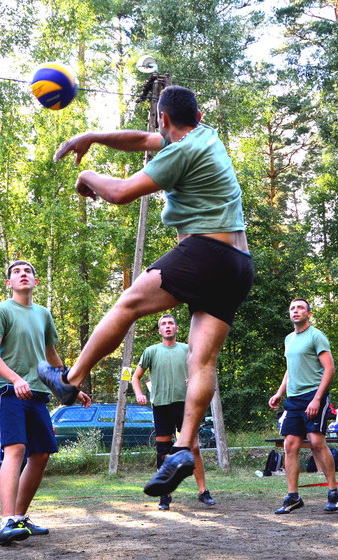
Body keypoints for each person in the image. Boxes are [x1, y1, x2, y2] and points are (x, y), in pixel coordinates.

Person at [43, 85, 254, 498]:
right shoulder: (205, 137)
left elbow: (120, 193)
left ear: (163, 118)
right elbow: (143, 141)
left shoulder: (180, 151)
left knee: (128, 305)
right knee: (201, 360)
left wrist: (86, 176)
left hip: (204, 251)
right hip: (238, 264)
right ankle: (182, 449)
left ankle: (69, 379)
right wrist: (93, 137)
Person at [0, 260, 91, 545]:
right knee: (15, 449)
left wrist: (71, 388)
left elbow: (51, 356)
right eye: (16, 272)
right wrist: (16, 379)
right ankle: (7, 521)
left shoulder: (43, 314)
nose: (23, 274)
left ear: (35, 281)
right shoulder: (1, 310)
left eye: (28, 271)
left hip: (37, 393)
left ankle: (20, 518)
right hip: (6, 390)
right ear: (9, 283)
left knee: (41, 454)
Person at [131, 314, 216, 511]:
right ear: (159, 330)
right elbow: (136, 377)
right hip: (161, 406)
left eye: (171, 323)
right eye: (163, 324)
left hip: (186, 406)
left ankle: (203, 492)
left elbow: (202, 372)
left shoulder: (187, 350)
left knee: (193, 448)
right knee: (163, 453)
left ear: (176, 329)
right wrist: (139, 394)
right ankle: (164, 494)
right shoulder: (151, 351)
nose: (167, 327)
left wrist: (194, 379)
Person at [268, 299, 338, 514]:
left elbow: (330, 369)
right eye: (292, 308)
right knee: (290, 445)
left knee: (317, 442)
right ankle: (293, 497)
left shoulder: (316, 336)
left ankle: (334, 492)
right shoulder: (289, 339)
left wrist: (317, 399)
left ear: (308, 313)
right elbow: (290, 370)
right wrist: (279, 393)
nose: (295, 311)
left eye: (300, 308)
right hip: (294, 399)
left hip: (313, 395)